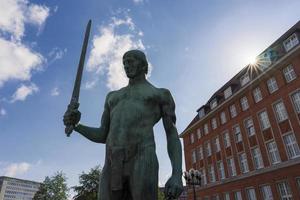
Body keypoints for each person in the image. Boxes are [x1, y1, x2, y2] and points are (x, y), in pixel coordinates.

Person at [63, 50, 183, 200]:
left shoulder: (160, 94)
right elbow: (102, 135)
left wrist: (177, 174)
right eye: (124, 62)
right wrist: (77, 125)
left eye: (131, 61)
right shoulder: (112, 97)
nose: (126, 65)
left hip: (142, 158)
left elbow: (172, 135)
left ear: (144, 65)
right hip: (112, 160)